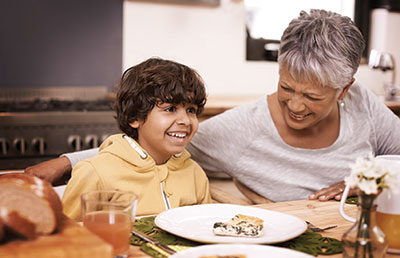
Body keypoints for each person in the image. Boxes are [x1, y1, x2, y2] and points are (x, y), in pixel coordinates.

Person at [26, 9, 400, 203]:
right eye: (287, 87)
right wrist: (62, 163)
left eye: (313, 97)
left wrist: (371, 179)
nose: (296, 105)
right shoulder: (245, 129)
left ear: (345, 88)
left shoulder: (365, 106)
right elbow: (141, 150)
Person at [59, 57, 211, 220]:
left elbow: (205, 229)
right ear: (135, 117)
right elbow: (68, 236)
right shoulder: (95, 173)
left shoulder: (195, 173)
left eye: (191, 110)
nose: (185, 121)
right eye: (170, 109)